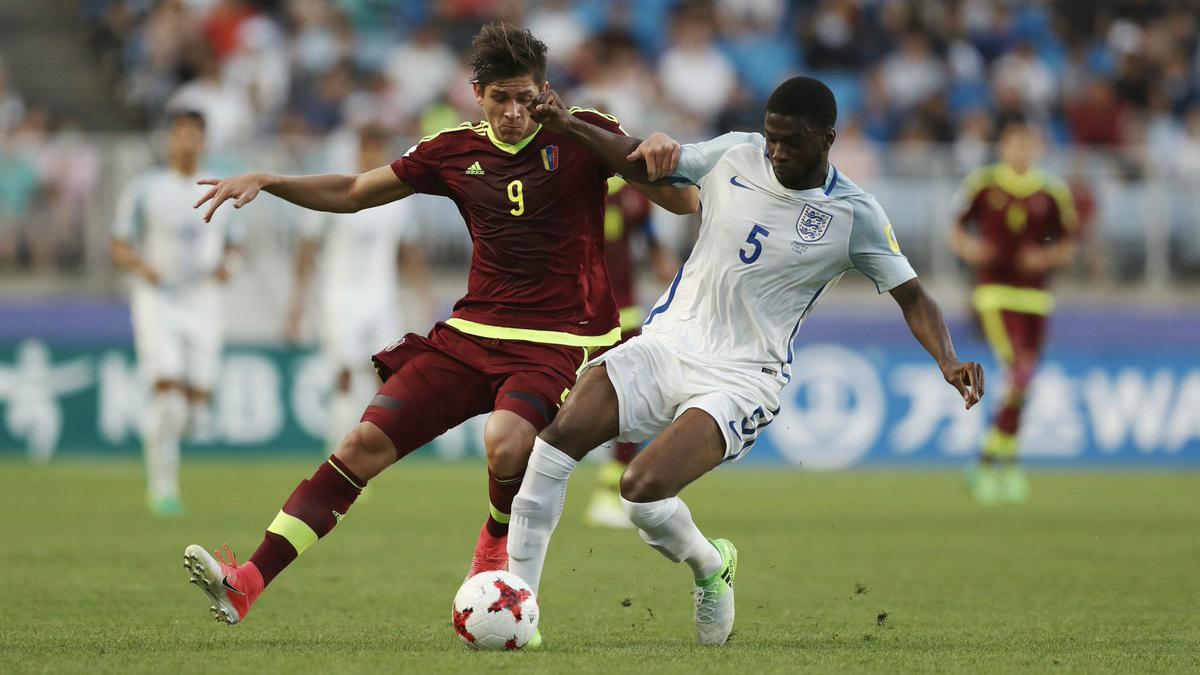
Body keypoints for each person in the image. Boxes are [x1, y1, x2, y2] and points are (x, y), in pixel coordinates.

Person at [179, 23, 694, 635]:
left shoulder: (584, 133)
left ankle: (496, 540)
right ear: (476, 93)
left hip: (561, 341)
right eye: (499, 98)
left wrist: (594, 134)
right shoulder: (452, 150)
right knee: (358, 447)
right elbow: (351, 191)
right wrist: (269, 180)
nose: (512, 112)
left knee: (506, 442)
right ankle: (247, 583)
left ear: (545, 92)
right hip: (471, 333)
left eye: (525, 98)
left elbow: (682, 202)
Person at [506, 76, 985, 646]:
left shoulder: (853, 215)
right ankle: (518, 612)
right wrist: (568, 125)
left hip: (743, 378)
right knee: (554, 442)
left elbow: (914, 296)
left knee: (640, 492)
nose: (776, 151)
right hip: (668, 342)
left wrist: (948, 359)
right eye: (771, 137)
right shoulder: (734, 152)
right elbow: (644, 164)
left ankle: (711, 565)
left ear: (828, 139)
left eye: (792, 142)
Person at [111, 110, 243, 516]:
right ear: (171, 139)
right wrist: (141, 267)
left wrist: (229, 267)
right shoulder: (146, 188)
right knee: (168, 397)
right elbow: (119, 245)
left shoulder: (222, 186)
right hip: (157, 298)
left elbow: (237, 246)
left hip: (203, 300)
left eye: (195, 136)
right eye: (181, 134)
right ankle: (162, 487)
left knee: (196, 413)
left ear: (204, 142)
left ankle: (166, 438)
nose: (187, 142)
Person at [949, 119, 1076, 505]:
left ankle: (994, 460)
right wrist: (971, 251)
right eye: (1014, 143)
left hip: (1036, 297)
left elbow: (1069, 244)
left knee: (1024, 380)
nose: (1021, 150)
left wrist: (1046, 255)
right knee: (1021, 371)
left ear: (1037, 147)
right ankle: (996, 465)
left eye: (1028, 143)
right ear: (1003, 146)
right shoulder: (984, 184)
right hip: (995, 293)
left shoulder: (1051, 191)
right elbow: (956, 230)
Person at [284, 125, 434, 452]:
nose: (371, 155)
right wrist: (297, 302)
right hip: (340, 297)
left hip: (382, 299)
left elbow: (409, 252)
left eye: (377, 149)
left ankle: (365, 449)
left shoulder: (397, 198)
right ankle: (337, 454)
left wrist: (424, 297)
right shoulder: (341, 192)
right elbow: (307, 245)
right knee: (345, 374)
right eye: (367, 148)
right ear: (358, 151)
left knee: (386, 378)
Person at [584, 175, 677, 528]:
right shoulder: (566, 183)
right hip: (570, 319)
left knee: (630, 407)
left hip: (623, 315)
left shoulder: (633, 195)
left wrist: (662, 263)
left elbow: (651, 237)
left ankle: (610, 492)